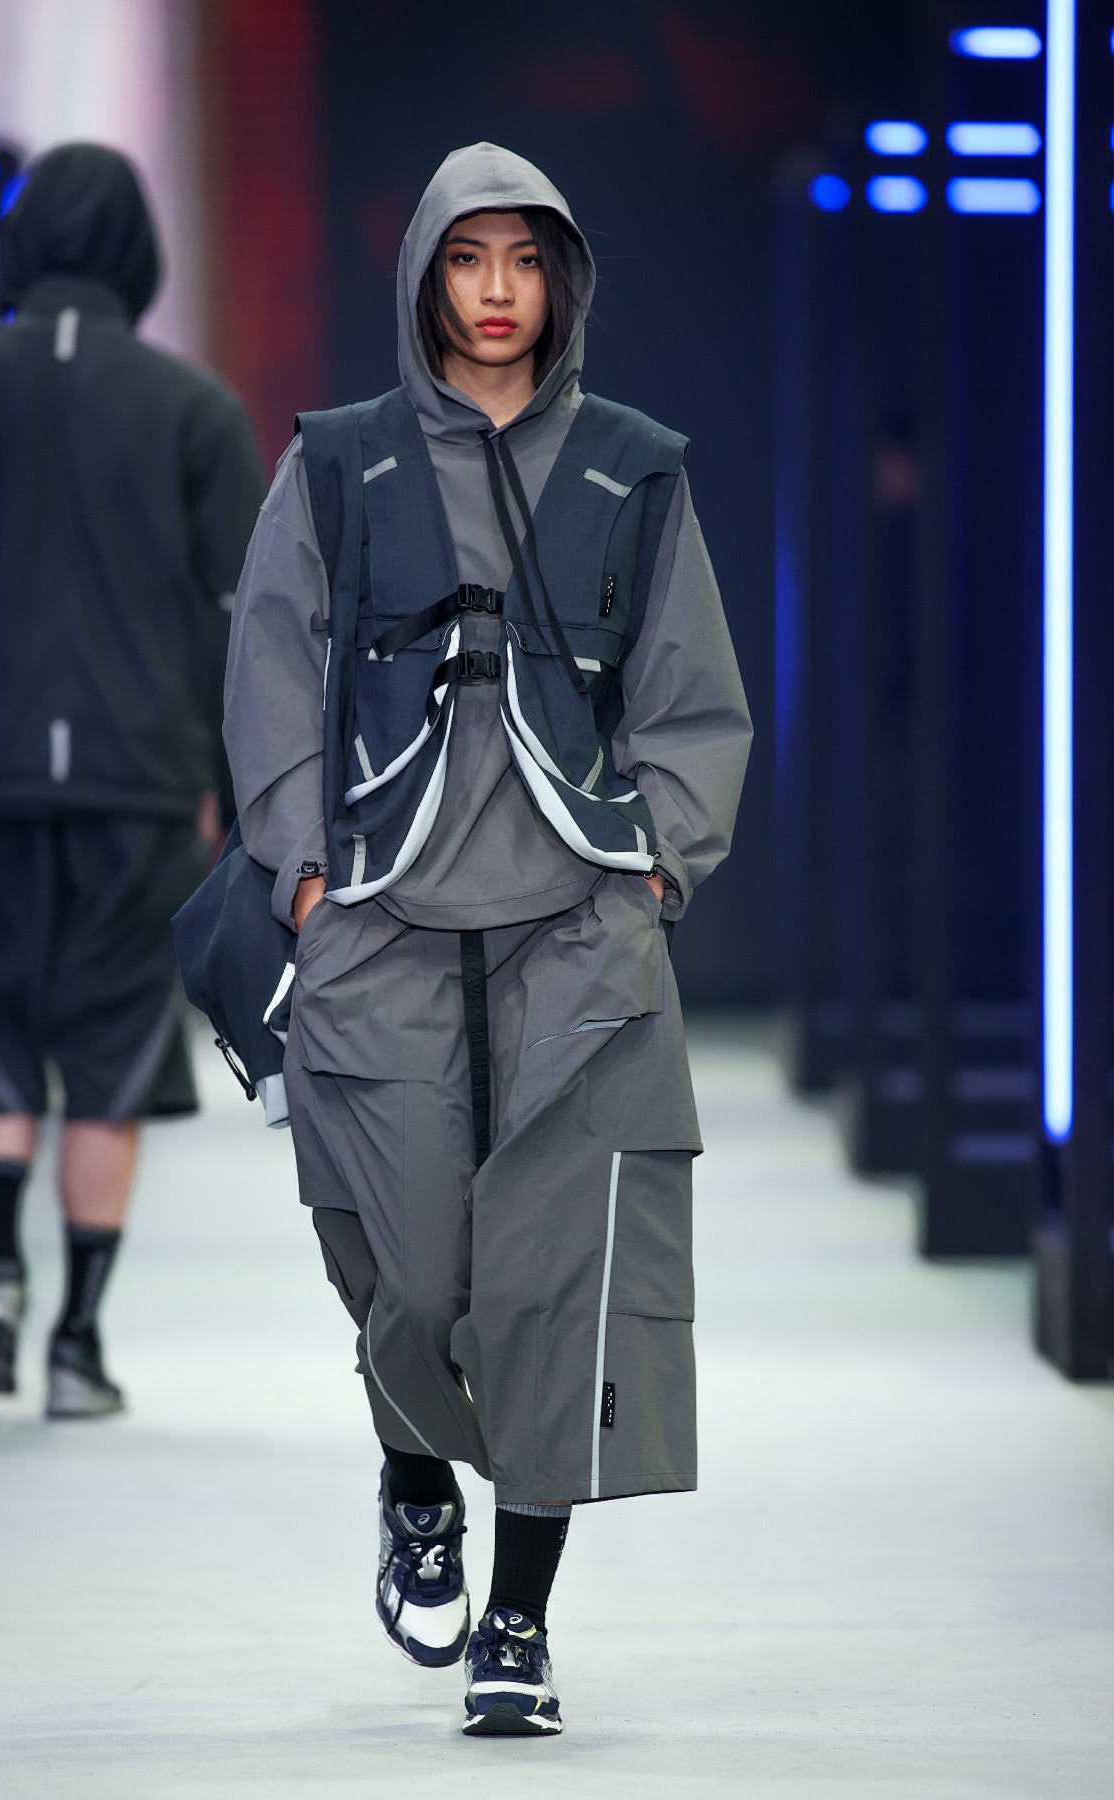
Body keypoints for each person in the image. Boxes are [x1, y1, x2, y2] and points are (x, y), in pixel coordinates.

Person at [223, 142, 751, 1736]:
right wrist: (305, 882)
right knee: (401, 1273)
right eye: (470, 259)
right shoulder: (341, 462)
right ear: (426, 277)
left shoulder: (634, 468)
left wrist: (655, 877)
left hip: (574, 933)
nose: (500, 291)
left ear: (564, 276)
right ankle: (412, 1472)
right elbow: (271, 668)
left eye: (526, 259)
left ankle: (518, 1623)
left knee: (552, 1288)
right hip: (381, 928)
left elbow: (691, 693)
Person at [0, 144, 264, 1418]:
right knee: (111, 1047)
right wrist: (240, 790)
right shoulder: (194, 410)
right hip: (140, 777)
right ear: (139, 251)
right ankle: (75, 1344)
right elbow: (244, 621)